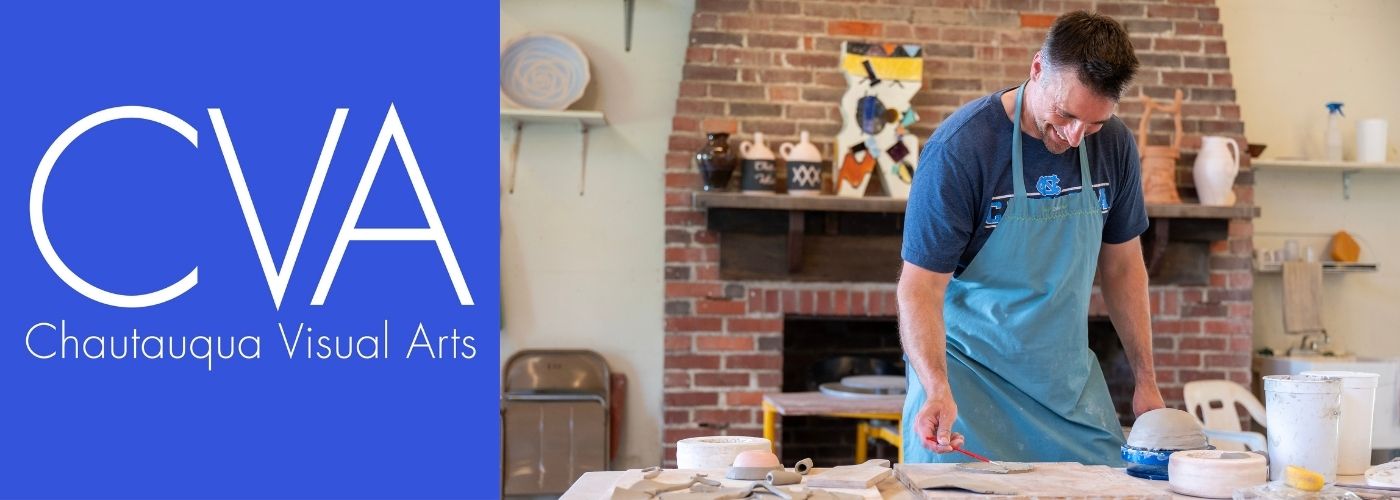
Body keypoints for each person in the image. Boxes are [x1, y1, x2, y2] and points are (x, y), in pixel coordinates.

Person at [898, 10, 1165, 465]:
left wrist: (1146, 379)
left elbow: (1123, 267)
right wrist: (936, 388)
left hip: (1065, 388)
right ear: (1037, 68)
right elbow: (919, 287)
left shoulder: (1116, 146)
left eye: (1095, 123)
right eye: (1065, 114)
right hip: (967, 388)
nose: (1076, 136)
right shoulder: (961, 150)